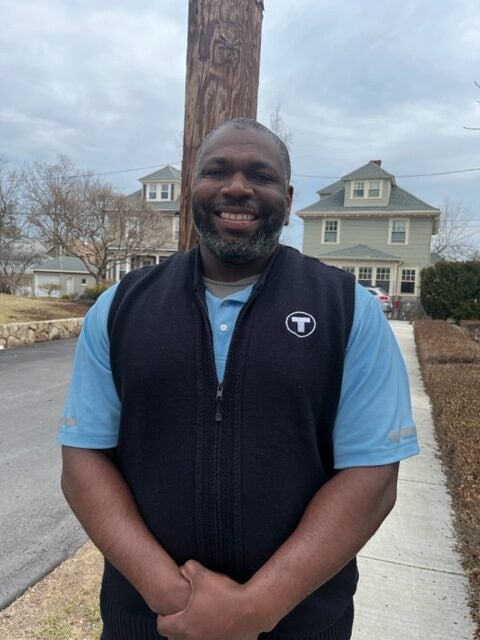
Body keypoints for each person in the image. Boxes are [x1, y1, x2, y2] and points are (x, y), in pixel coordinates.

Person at [59, 117, 420, 640]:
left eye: (261, 174)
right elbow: (83, 459)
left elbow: (372, 477)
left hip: (302, 624)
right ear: (192, 191)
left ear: (288, 198)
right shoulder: (121, 308)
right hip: (150, 623)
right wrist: (175, 598)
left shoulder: (348, 310)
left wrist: (254, 609)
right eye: (217, 170)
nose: (237, 187)